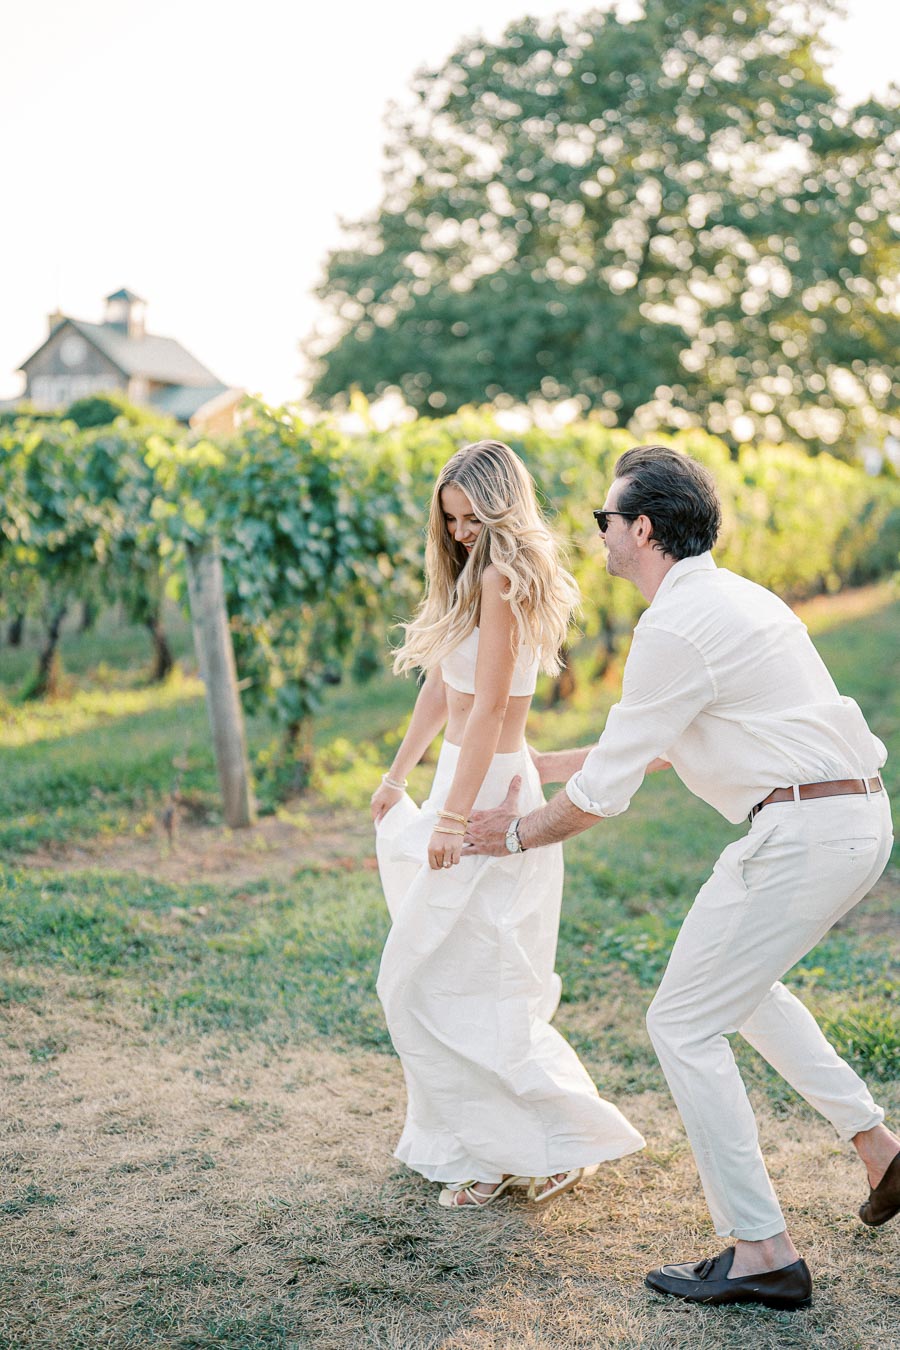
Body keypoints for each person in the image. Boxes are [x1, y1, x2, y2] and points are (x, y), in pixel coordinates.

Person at [464, 444, 897, 1304]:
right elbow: (654, 744)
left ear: (644, 529)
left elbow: (603, 796)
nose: (600, 535)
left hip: (804, 832)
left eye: (605, 521)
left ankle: (763, 1252)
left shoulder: (672, 627)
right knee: (742, 994)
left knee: (682, 1024)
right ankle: (880, 1148)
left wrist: (509, 834)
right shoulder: (733, 599)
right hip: (849, 818)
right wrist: (531, 762)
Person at [370, 439, 645, 1210]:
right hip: (467, 774)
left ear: (499, 509)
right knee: (456, 977)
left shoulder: (501, 578)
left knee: (452, 978)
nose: (458, 532)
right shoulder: (471, 577)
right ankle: (490, 1152)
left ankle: (542, 1142)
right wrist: (398, 777)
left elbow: (491, 710)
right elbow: (442, 689)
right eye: (449, 520)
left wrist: (453, 817)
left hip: (487, 788)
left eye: (469, 518)